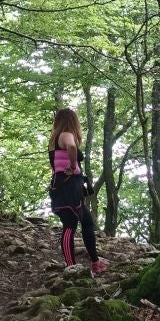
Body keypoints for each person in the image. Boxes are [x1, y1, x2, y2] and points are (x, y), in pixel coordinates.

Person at [48, 106, 107, 275]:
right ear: (72, 121)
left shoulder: (55, 138)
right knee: (70, 225)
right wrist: (73, 166)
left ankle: (95, 262)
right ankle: (71, 266)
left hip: (68, 186)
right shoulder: (66, 134)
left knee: (87, 222)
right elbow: (72, 148)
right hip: (67, 186)